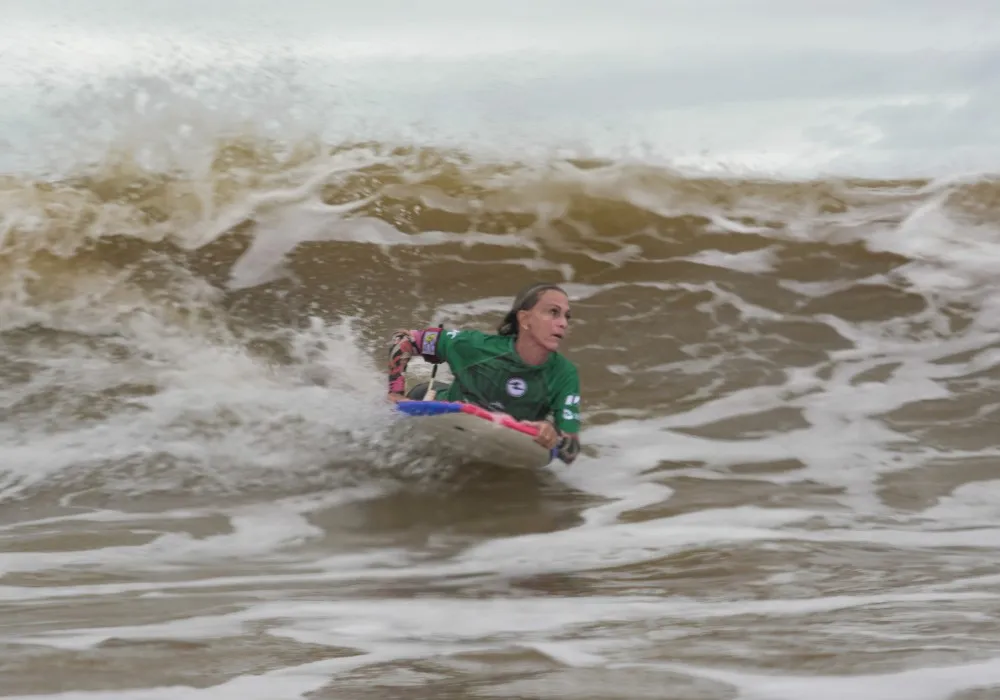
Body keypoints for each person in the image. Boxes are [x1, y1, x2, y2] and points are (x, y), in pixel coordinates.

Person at [386, 282, 582, 464]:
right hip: (435, 408)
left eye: (567, 316)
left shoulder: (564, 374)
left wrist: (552, 434)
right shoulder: (474, 346)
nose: (563, 323)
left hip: (497, 444)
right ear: (525, 319)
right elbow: (405, 339)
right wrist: (396, 393)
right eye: (553, 312)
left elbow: (570, 451)